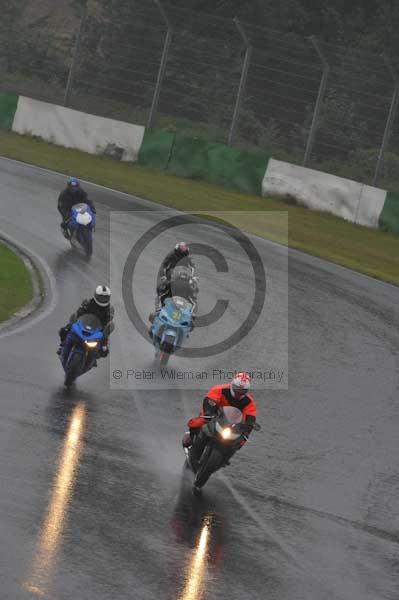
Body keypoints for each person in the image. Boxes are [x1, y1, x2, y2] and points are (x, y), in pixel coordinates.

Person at [182, 372, 257, 466]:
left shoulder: (249, 402)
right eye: (237, 389)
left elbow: (251, 416)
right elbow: (209, 400)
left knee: (242, 439)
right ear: (232, 384)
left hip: (232, 423)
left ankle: (225, 457)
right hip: (215, 415)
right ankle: (191, 437)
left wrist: (248, 426)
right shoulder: (219, 389)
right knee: (202, 421)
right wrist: (209, 412)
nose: (238, 393)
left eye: (242, 391)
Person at [58, 285, 114, 359]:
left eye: (105, 297)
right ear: (96, 295)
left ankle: (92, 358)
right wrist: (75, 319)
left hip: (98, 331)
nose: (103, 299)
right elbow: (79, 313)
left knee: (104, 350)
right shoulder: (88, 303)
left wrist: (105, 332)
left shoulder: (109, 310)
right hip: (83, 325)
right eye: (101, 297)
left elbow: (108, 323)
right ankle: (63, 346)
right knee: (64, 330)